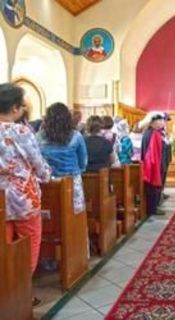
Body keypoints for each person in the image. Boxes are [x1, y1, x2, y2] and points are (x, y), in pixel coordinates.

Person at [0, 84, 51, 304]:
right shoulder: (19, 131)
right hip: (23, 197)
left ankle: (5, 291)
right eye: (22, 106)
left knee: (4, 245)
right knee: (29, 244)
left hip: (0, 197)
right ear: (13, 108)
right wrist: (46, 175)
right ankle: (21, 294)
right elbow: (37, 162)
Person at [37, 103, 88, 214]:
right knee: (73, 214)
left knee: (51, 213)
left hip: (48, 181)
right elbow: (83, 161)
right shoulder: (76, 136)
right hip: (72, 180)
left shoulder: (39, 136)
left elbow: (36, 159)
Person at [141, 113, 165, 216]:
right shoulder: (154, 134)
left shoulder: (148, 132)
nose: (162, 123)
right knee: (153, 186)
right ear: (153, 123)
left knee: (151, 187)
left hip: (148, 163)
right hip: (152, 164)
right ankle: (152, 209)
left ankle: (152, 208)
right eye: (160, 121)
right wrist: (155, 166)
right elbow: (152, 152)